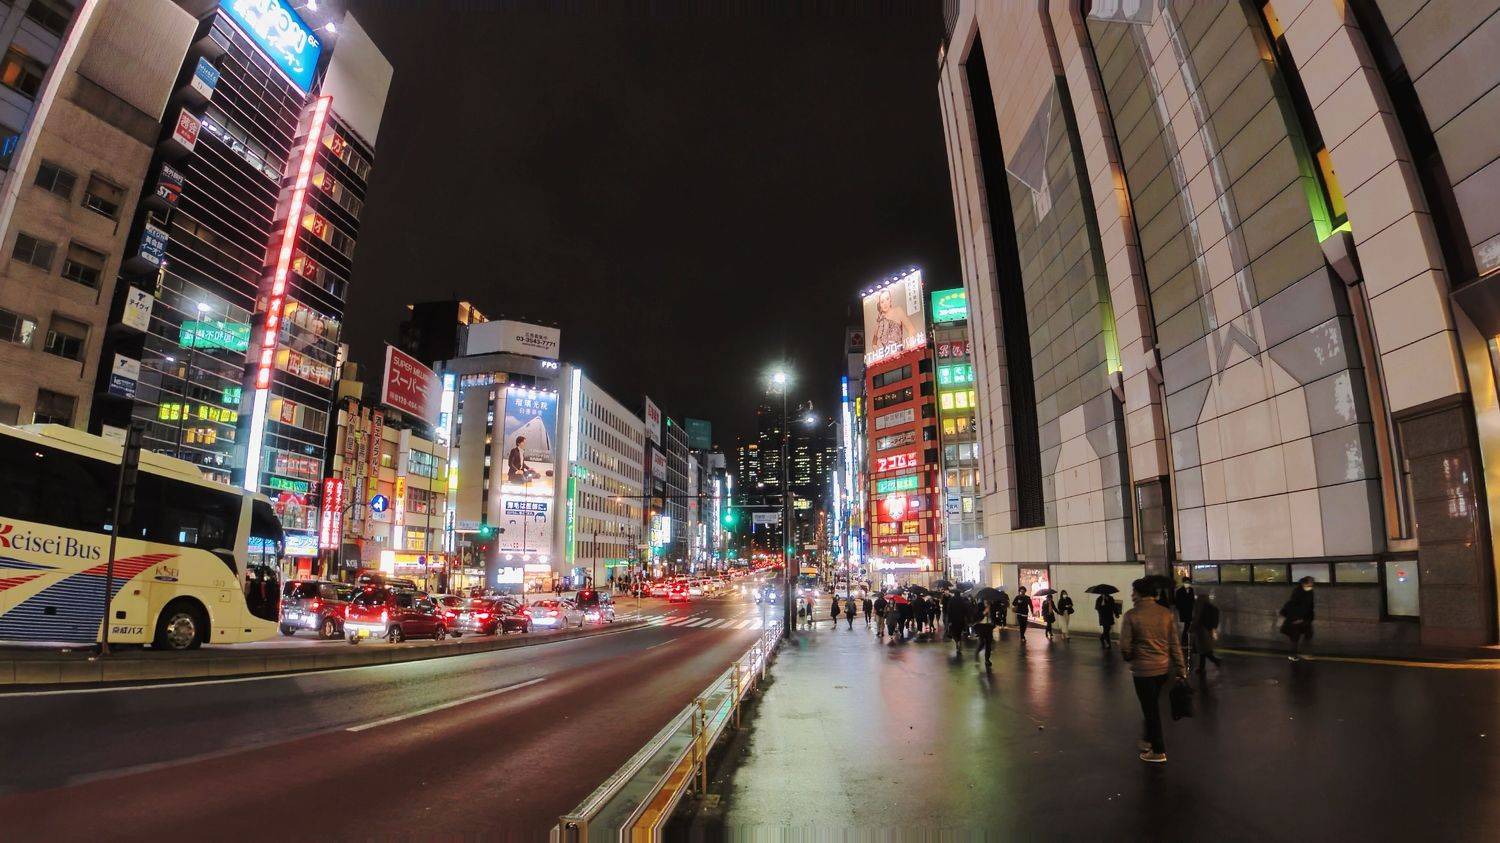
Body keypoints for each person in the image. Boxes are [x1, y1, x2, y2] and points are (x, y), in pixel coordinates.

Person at [1120, 578, 1188, 763]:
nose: (1132, 594)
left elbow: (1125, 648)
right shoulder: (1165, 613)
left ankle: (1158, 750)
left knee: (1150, 710)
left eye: (1133, 591)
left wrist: (1130, 656)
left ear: (1140, 593)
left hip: (1143, 671)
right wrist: (1181, 669)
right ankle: (1147, 739)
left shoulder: (1131, 615)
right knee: (1151, 705)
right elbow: (1174, 644)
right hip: (1163, 669)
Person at [1279, 576, 1316, 661]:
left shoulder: (1310, 591)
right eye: (1310, 582)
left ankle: (1304, 653)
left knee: (1308, 634)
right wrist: (1298, 618)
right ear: (1304, 583)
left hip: (1305, 618)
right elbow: (1293, 605)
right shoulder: (1298, 592)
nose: (1312, 584)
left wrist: (1309, 617)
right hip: (1296, 619)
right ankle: (1293, 655)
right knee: (1295, 636)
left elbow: (1310, 606)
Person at [1189, 592, 1221, 673]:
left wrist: (1192, 628)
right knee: (1203, 649)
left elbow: (1197, 618)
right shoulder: (1211, 607)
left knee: (1203, 650)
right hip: (1208, 630)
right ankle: (1202, 668)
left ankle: (1215, 660)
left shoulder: (1200, 606)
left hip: (1201, 631)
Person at [944, 589, 969, 656]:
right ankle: (959, 641)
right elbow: (965, 610)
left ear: (954, 594)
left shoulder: (951, 600)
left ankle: (957, 642)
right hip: (961, 619)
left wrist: (949, 621)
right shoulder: (962, 600)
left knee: (954, 632)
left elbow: (949, 611)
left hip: (953, 620)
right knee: (959, 632)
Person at [973, 601, 997, 667]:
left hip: (989, 626)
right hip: (980, 626)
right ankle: (976, 653)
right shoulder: (979, 605)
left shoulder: (992, 605)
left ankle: (987, 660)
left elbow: (994, 615)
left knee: (989, 644)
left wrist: (994, 624)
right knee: (982, 642)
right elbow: (976, 616)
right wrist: (984, 612)